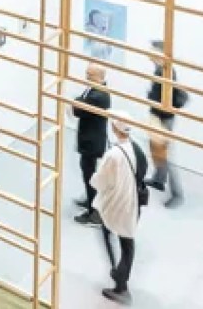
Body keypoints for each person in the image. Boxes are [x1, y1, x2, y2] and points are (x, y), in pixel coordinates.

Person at [93, 116, 146, 302]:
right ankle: (119, 278)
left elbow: (100, 180)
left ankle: (120, 283)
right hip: (132, 203)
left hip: (116, 203)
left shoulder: (113, 154)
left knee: (109, 232)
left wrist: (94, 180)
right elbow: (143, 170)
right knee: (127, 242)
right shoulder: (137, 149)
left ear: (115, 129)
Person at [146, 38, 186, 207]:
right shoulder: (161, 70)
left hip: (162, 118)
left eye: (153, 52)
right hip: (159, 115)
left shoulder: (165, 72)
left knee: (164, 154)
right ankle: (159, 179)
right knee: (156, 149)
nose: (149, 55)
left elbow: (165, 97)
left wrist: (151, 97)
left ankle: (177, 195)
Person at [72, 62, 112, 225]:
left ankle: (94, 212)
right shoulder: (94, 90)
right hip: (90, 140)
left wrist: (78, 101)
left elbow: (78, 110)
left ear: (101, 77)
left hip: (92, 142)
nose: (87, 77)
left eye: (91, 75)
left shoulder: (99, 96)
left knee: (90, 176)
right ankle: (92, 202)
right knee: (89, 174)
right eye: (87, 73)